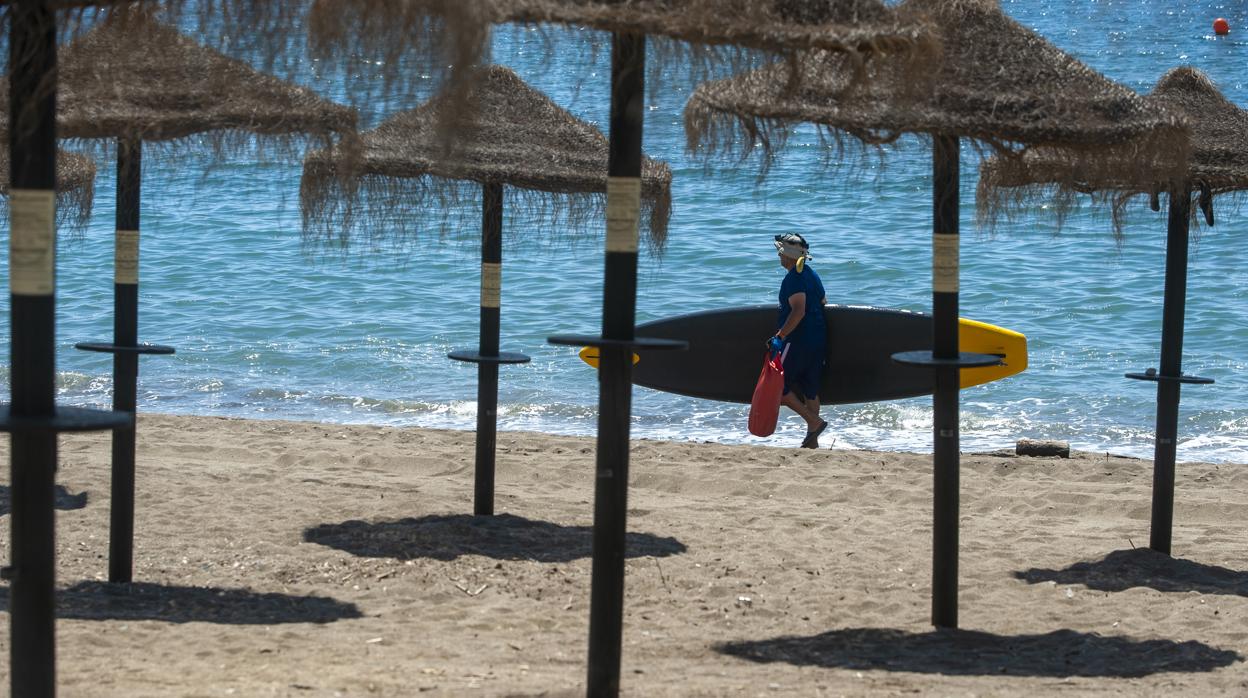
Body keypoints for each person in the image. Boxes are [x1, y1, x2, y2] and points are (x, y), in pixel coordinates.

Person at [770, 233, 829, 449]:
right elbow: (823, 300)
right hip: (818, 339)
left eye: (781, 252)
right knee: (810, 390)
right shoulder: (812, 275)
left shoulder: (794, 278)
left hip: (796, 341)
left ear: (788, 256)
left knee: (778, 387)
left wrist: (780, 336)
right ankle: (812, 440)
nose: (778, 256)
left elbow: (798, 311)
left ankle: (814, 422)